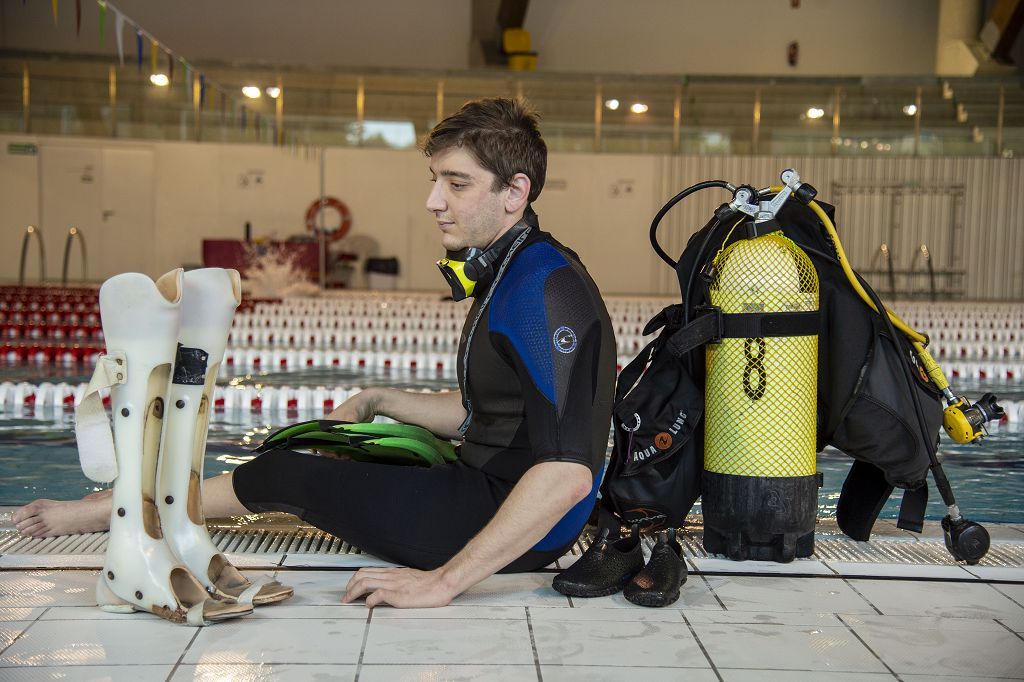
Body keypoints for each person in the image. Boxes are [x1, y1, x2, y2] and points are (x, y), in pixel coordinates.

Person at [13, 97, 616, 609]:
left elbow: (566, 472)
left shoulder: (546, 292)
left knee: (285, 472)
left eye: (456, 184)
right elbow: (496, 414)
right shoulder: (516, 271)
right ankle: (134, 505)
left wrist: (443, 582)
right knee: (319, 444)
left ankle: (103, 513)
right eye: (434, 180)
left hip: (506, 519)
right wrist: (380, 399)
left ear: (516, 192)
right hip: (483, 485)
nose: (434, 200)